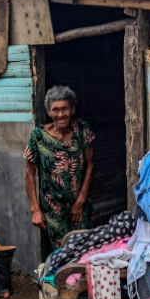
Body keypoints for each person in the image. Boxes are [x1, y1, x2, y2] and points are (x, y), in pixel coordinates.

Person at [24, 86, 96, 249]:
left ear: (72, 110)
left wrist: (80, 202)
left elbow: (90, 166)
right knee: (61, 251)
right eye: (55, 110)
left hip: (80, 205)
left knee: (86, 249)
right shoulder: (38, 136)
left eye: (65, 109)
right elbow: (29, 173)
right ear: (49, 112)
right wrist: (35, 210)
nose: (61, 114)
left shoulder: (83, 131)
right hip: (53, 209)